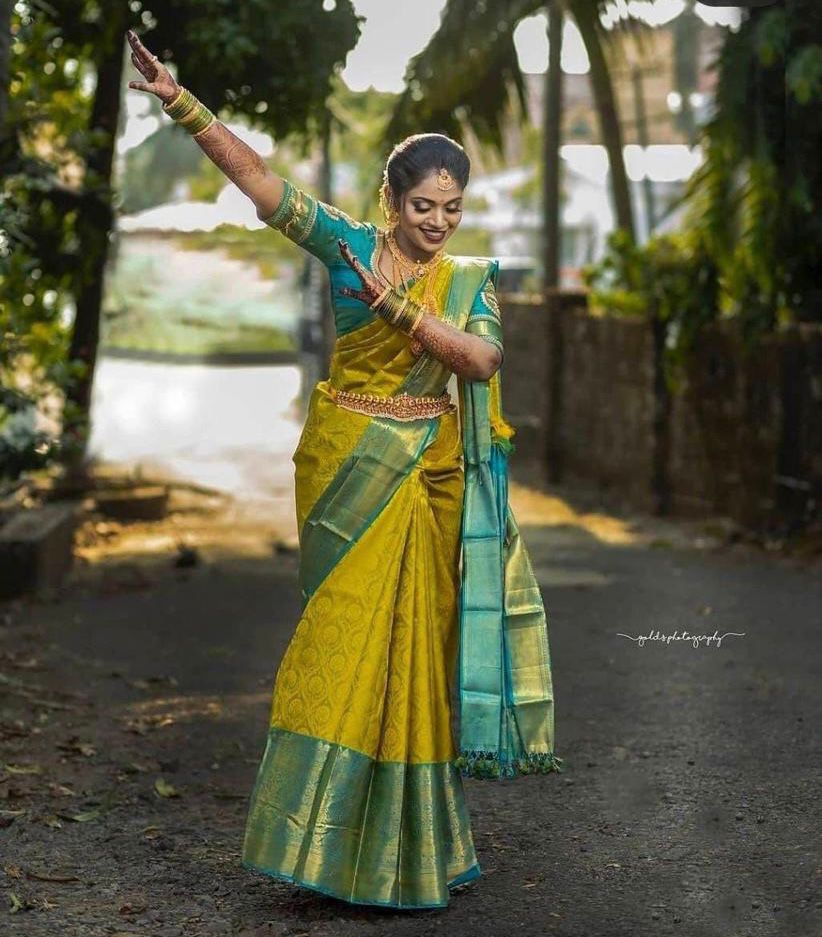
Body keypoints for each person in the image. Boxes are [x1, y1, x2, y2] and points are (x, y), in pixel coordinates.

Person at [126, 28, 562, 912]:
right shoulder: (344, 246)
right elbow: (261, 185)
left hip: (430, 484)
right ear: (390, 200)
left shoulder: (469, 278)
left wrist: (399, 308)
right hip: (349, 476)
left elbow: (478, 362)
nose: (437, 223)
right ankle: (317, 845)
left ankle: (412, 853)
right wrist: (181, 102)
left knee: (415, 666)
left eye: (452, 208)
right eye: (423, 207)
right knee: (340, 646)